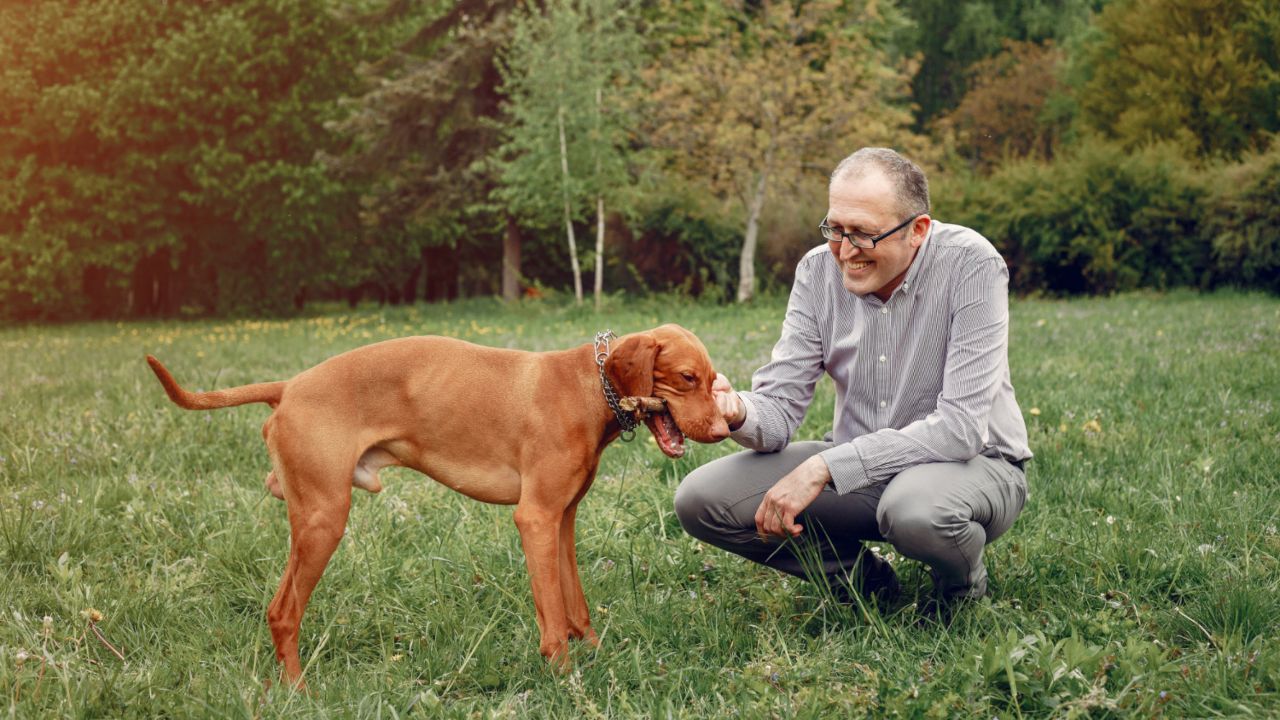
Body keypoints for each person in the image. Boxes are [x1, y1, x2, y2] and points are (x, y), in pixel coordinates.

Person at [675, 147, 1031, 618]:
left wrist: (824, 467)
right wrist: (737, 410)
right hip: (859, 474)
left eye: (863, 234)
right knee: (701, 500)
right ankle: (867, 584)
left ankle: (959, 591)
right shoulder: (816, 271)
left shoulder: (971, 263)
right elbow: (779, 408)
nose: (845, 251)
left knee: (914, 511)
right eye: (835, 229)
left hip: (973, 466)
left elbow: (959, 430)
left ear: (918, 230)